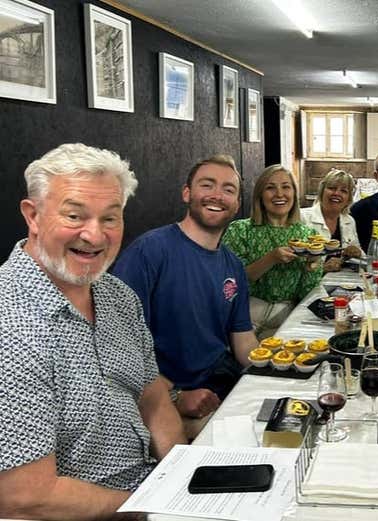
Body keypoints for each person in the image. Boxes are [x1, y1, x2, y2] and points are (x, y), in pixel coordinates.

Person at [0, 143, 186, 519]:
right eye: (74, 216)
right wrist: (147, 507)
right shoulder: (10, 325)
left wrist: (181, 481)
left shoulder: (117, 295)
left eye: (110, 218)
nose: (95, 236)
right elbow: (24, 497)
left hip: (150, 493)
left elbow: (153, 399)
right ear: (32, 216)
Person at [112, 155, 257, 423]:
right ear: (186, 193)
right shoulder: (150, 251)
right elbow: (119, 344)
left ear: (237, 205)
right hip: (163, 395)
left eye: (228, 190)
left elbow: (244, 340)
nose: (217, 195)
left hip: (218, 381)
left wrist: (276, 367)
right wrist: (176, 396)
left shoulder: (233, 266)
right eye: (207, 185)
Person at [222, 164, 322, 338]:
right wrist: (271, 258)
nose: (280, 194)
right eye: (270, 188)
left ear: (294, 193)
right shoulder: (239, 230)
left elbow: (306, 293)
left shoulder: (308, 235)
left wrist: (313, 265)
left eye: (286, 187)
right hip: (245, 313)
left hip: (287, 315)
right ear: (260, 195)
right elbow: (231, 281)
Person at [300, 168, 363, 272]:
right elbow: (292, 264)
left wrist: (357, 253)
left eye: (343, 191)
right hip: (310, 285)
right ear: (322, 191)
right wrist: (321, 268)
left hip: (341, 282)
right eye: (332, 188)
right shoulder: (303, 217)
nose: (336, 193)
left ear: (348, 199)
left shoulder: (349, 221)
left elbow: (358, 258)